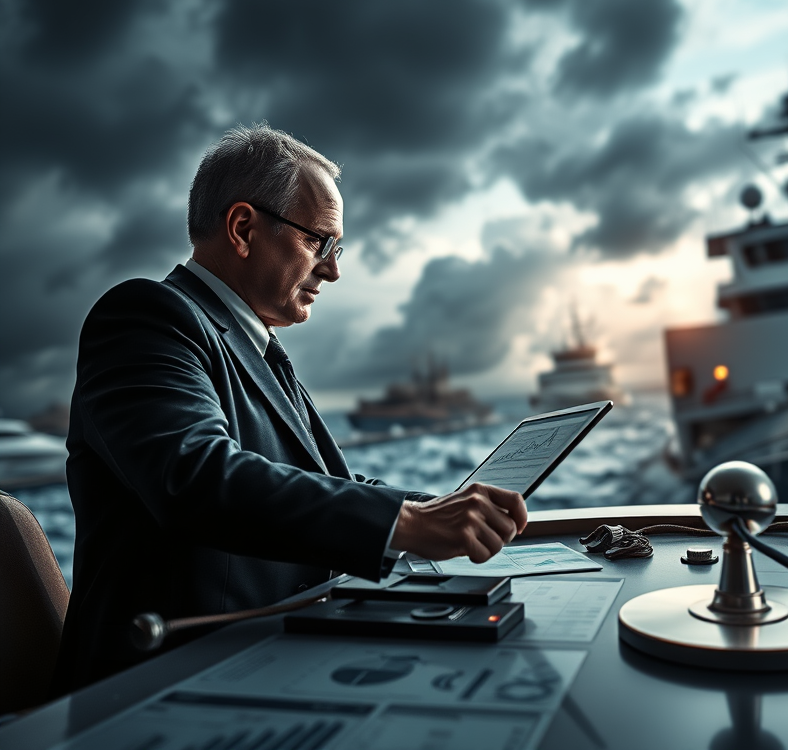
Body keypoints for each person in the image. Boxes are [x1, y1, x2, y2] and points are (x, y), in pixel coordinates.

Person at [51, 123, 527, 694]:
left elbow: (328, 482)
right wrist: (409, 525)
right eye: (318, 242)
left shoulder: (258, 349)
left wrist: (440, 507)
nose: (333, 270)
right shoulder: (147, 316)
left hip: (271, 666)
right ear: (243, 228)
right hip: (167, 688)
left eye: (337, 249)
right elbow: (194, 476)